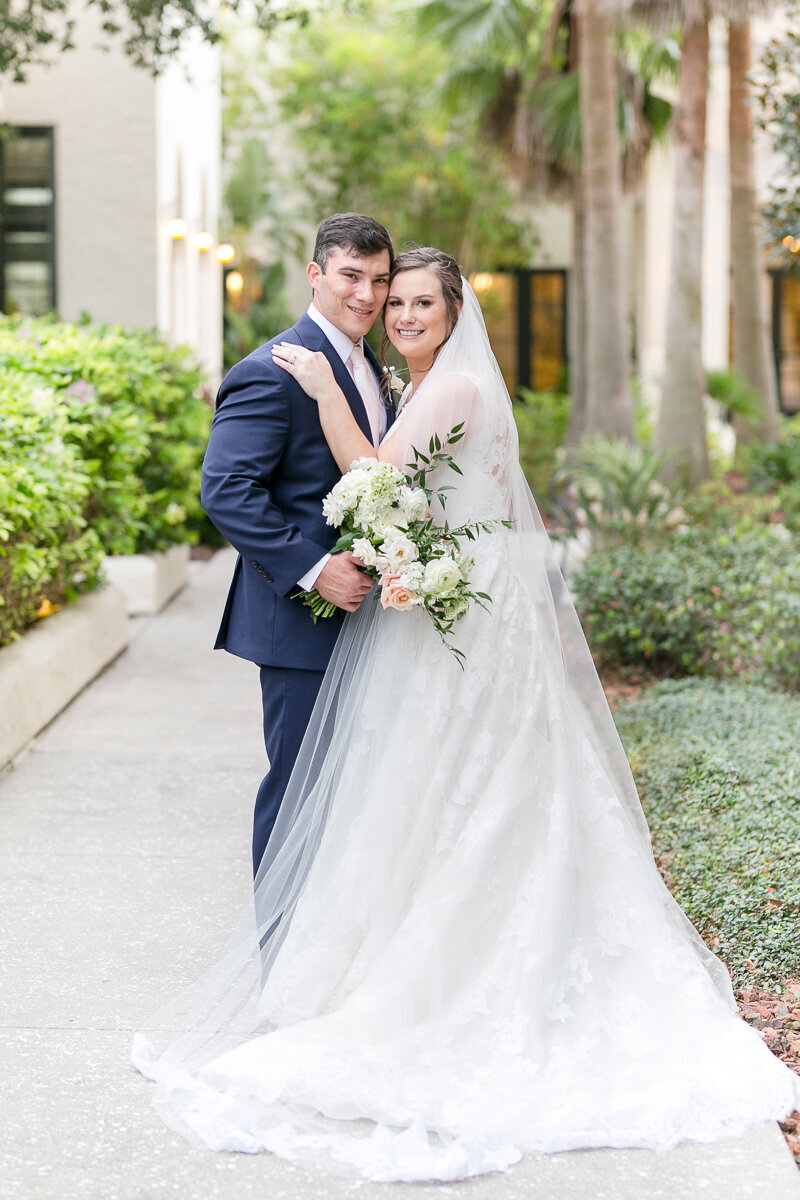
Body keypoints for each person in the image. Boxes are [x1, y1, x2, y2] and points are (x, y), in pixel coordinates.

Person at [134, 249, 800, 1182]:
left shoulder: (443, 389)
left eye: (415, 300)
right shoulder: (423, 379)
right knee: (422, 790)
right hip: (448, 615)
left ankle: (403, 980)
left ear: (455, 311)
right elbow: (255, 485)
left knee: (441, 788)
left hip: (452, 628)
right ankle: (333, 972)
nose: (396, 312)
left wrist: (329, 396)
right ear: (326, 277)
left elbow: (373, 478)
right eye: (388, 296)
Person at [200, 213, 394, 874]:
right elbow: (227, 489)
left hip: (377, 620)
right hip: (301, 625)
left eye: (378, 280)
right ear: (315, 276)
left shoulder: (373, 366)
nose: (365, 295)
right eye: (350, 276)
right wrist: (315, 570)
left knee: (358, 798)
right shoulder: (271, 371)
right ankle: (282, 965)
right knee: (298, 795)